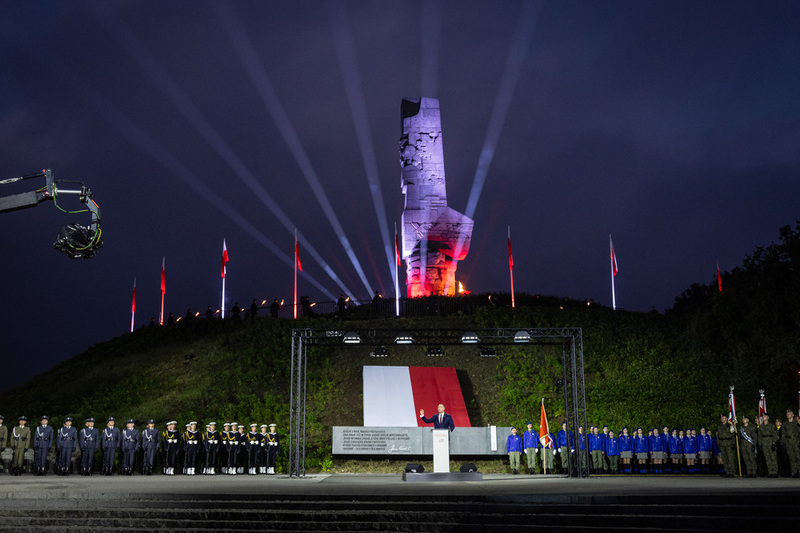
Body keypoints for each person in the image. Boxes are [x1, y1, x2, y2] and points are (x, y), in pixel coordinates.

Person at [758, 413, 779, 478]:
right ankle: (770, 472)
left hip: (770, 443)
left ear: (768, 417)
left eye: (765, 416)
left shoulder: (771, 426)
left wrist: (773, 443)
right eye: (763, 416)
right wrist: (760, 444)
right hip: (764, 443)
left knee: (773, 458)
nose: (763, 417)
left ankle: (775, 472)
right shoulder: (761, 426)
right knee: (767, 459)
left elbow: (775, 435)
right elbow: (759, 436)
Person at [782, 409, 800, 478]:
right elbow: (783, 434)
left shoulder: (796, 423)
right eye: (787, 413)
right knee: (791, 458)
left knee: (798, 456)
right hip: (788, 442)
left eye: (789, 413)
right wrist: (784, 442)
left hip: (795, 441)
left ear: (793, 415)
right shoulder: (785, 423)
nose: (788, 414)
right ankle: (794, 472)